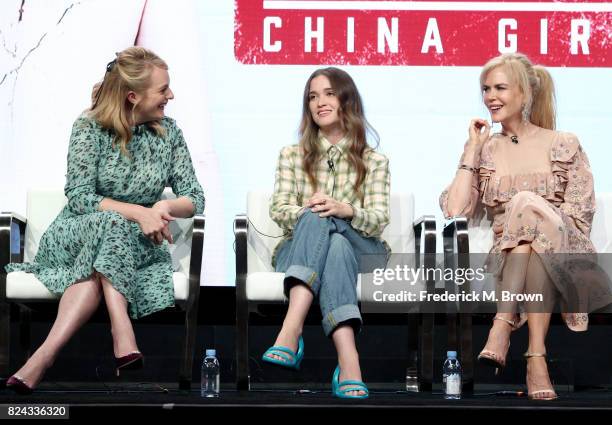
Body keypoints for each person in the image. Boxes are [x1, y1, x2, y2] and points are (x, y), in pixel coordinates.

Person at [4, 47, 205, 394]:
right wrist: (138, 212)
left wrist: (161, 208)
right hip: (78, 233)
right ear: (133, 96)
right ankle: (120, 324)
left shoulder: (169, 133)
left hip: (138, 244)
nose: (170, 95)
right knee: (111, 223)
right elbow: (81, 197)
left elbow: (195, 198)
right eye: (163, 89)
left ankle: (43, 358)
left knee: (102, 258)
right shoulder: (89, 127)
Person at [440, 53, 612, 400]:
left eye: (500, 87)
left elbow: (579, 217)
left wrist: (533, 211)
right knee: (525, 244)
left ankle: (502, 326)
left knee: (526, 205)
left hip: (567, 252)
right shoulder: (486, 150)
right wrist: (472, 150)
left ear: (525, 94)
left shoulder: (562, 143)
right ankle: (536, 357)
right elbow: (454, 208)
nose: (490, 96)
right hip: (510, 263)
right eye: (486, 89)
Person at [262, 67, 390, 399]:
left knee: (332, 225)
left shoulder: (373, 160)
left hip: (364, 250)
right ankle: (349, 360)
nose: (320, 102)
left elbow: (377, 219)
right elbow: (280, 210)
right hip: (302, 248)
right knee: (328, 236)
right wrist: (312, 209)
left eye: (329, 93)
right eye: (313, 96)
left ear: (347, 100)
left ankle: (291, 329)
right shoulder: (291, 156)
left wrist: (345, 209)